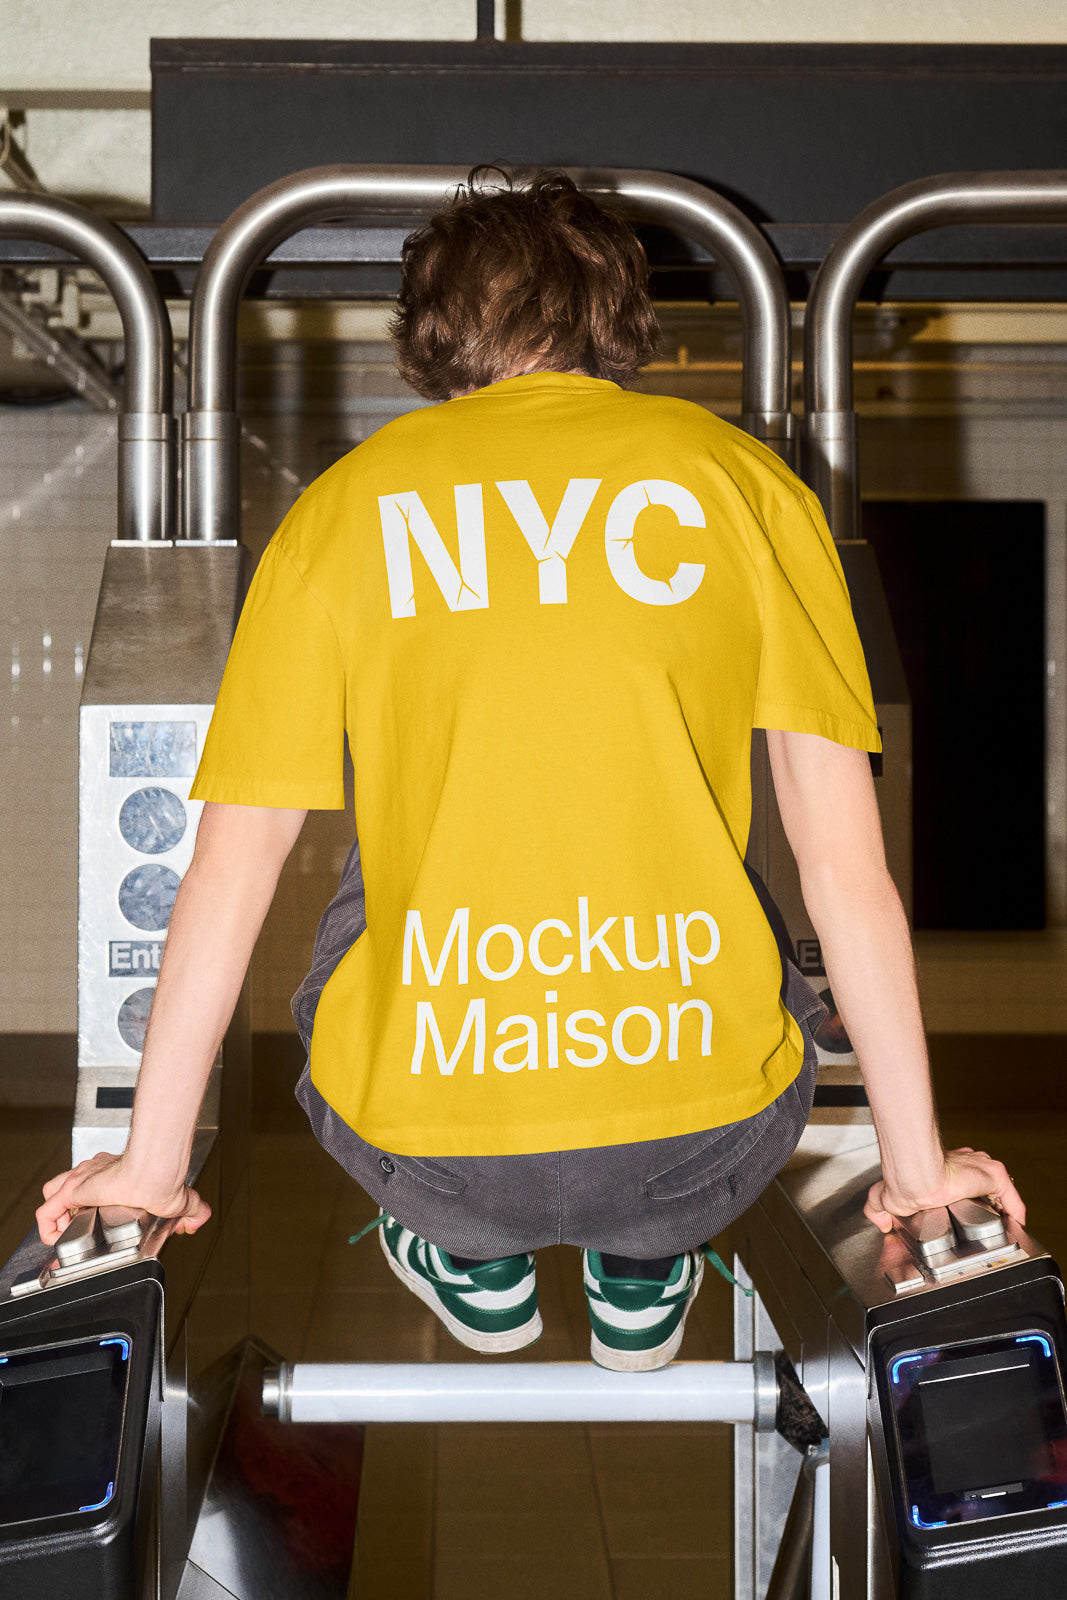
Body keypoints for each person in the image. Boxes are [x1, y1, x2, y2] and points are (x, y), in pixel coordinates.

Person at [37, 171, 1024, 1373]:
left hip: (435, 1144)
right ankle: (648, 1259)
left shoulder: (339, 514)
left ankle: (473, 1259)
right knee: (738, 881)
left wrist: (147, 1168)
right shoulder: (748, 489)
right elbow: (845, 867)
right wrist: (919, 1171)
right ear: (621, 317)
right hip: (700, 1141)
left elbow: (233, 870)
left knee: (369, 873)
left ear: (429, 332)